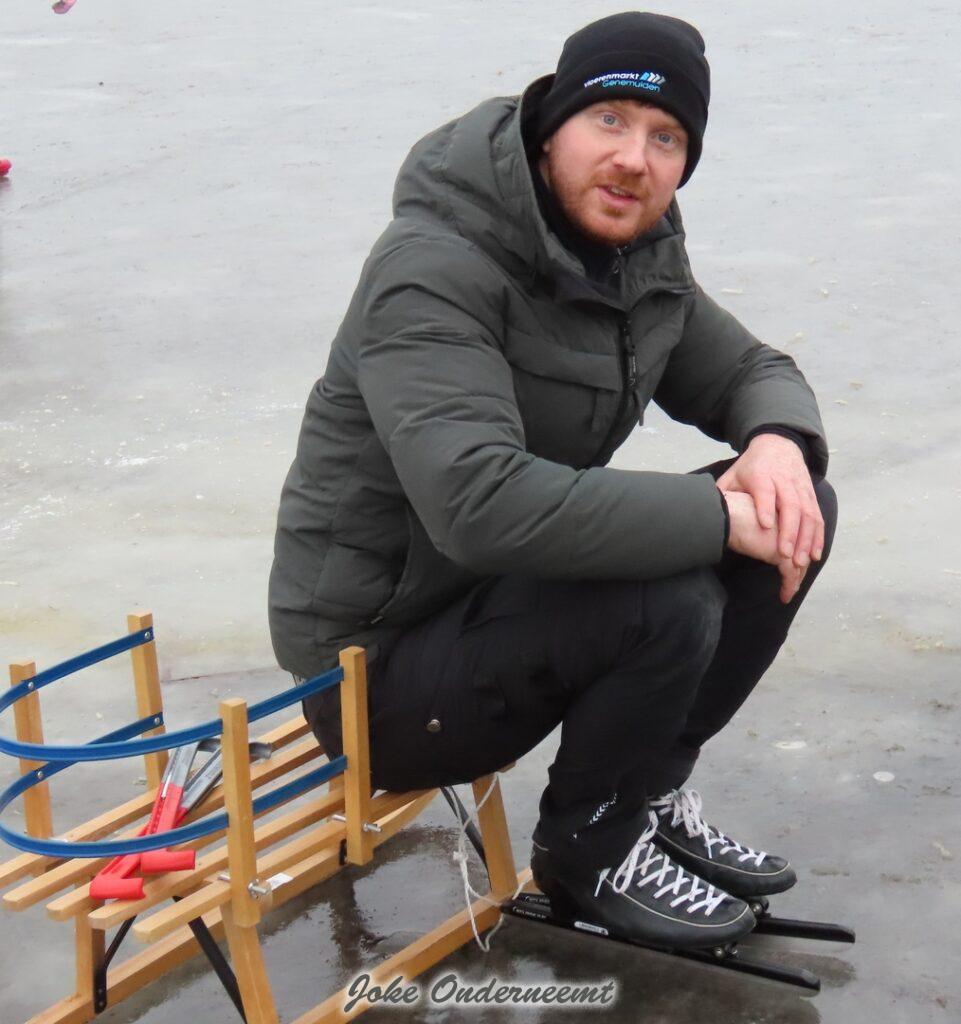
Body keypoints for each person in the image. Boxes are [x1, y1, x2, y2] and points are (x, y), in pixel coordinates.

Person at [268, 11, 837, 950]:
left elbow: (748, 369)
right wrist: (714, 514)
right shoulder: (433, 270)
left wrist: (777, 442)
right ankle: (590, 850)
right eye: (608, 120)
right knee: (667, 596)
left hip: (495, 610)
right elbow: (478, 504)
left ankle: (644, 794)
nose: (633, 159)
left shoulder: (632, 258)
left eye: (665, 138)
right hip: (374, 683)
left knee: (794, 510)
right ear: (548, 129)